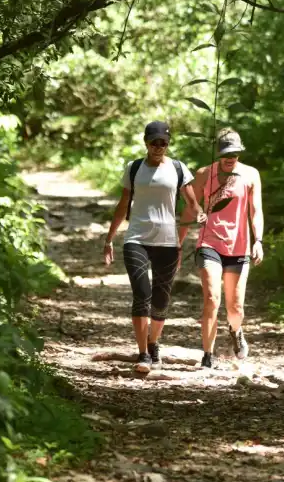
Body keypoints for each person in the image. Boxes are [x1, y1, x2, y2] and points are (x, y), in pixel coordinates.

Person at [103, 120, 205, 373]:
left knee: (161, 298)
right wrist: (109, 238)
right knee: (142, 293)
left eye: (163, 142)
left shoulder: (179, 169)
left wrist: (201, 213)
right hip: (136, 239)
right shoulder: (134, 168)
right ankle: (143, 354)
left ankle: (153, 342)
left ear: (168, 143)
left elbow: (192, 202)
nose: (159, 146)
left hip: (167, 241)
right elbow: (123, 204)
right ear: (146, 142)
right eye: (154, 142)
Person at [192, 128, 264, 368]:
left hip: (238, 246)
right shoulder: (204, 174)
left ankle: (236, 330)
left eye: (234, 153)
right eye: (225, 154)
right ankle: (207, 355)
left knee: (235, 308)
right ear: (218, 153)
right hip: (209, 242)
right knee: (212, 298)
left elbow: (256, 211)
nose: (230, 158)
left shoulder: (250, 175)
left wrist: (259, 241)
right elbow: (190, 205)